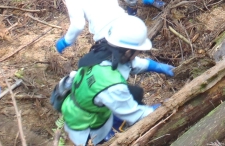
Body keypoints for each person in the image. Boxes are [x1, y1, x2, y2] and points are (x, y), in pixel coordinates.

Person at [55, 16, 175, 145]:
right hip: (84, 126)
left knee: (135, 93)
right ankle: (107, 135)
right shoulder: (112, 85)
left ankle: (112, 125)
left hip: (80, 104)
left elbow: (130, 64)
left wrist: (157, 66)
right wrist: (163, 107)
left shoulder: (102, 52)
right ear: (128, 51)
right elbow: (136, 114)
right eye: (137, 52)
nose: (138, 55)